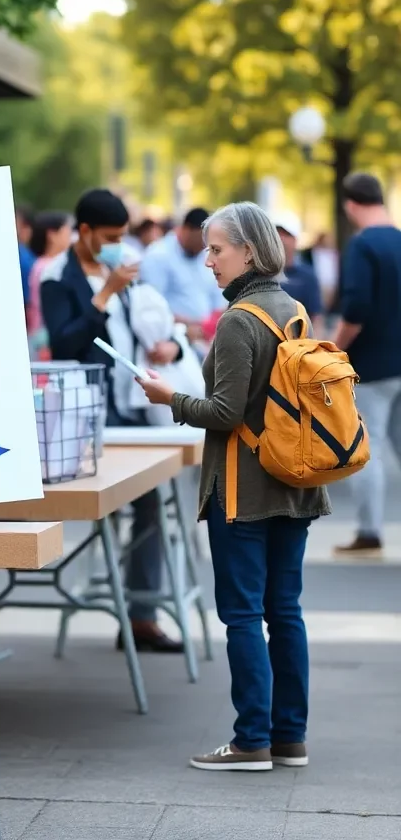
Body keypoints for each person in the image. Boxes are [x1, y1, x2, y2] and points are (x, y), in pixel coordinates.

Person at [138, 201, 330, 771]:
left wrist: (168, 397)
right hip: (295, 483)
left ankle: (251, 741)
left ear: (248, 250)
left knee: (244, 614)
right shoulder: (293, 310)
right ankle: (288, 737)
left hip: (244, 490)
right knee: (285, 609)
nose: (208, 261)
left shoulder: (240, 320)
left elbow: (223, 412)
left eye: (216, 249)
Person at [40, 189, 185, 654]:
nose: (117, 245)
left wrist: (173, 348)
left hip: (133, 403)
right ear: (84, 232)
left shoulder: (119, 271)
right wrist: (104, 294)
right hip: (87, 410)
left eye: (123, 237)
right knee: (110, 502)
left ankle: (142, 614)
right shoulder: (57, 277)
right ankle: (128, 606)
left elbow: (150, 325)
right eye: (109, 237)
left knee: (151, 498)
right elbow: (64, 347)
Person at [332, 173, 401, 558]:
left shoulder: (362, 246)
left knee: (364, 446)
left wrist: (334, 350)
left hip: (371, 367)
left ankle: (369, 531)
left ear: (351, 204)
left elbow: (355, 307)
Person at [140, 207, 226, 347]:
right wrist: (188, 325)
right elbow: (150, 306)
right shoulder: (158, 256)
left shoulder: (205, 256)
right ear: (186, 229)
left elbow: (217, 300)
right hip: (170, 338)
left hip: (206, 339)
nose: (203, 246)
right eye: (201, 240)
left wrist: (210, 326)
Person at [27, 211, 72, 358]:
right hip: (45, 340)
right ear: (52, 235)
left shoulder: (43, 264)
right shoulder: (47, 267)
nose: (70, 238)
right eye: (67, 232)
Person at [273, 213, 324, 336]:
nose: (282, 239)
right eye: (277, 233)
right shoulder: (258, 272)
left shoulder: (307, 276)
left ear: (296, 240)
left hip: (296, 348)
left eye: (287, 235)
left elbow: (316, 318)